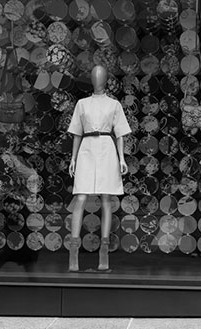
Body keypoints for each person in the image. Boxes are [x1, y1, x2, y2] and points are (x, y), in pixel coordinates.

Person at [67, 65, 132, 272]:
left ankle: (104, 252)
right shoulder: (82, 104)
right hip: (86, 148)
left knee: (106, 198)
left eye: (100, 76)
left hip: (106, 147)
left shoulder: (114, 105)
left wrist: (122, 158)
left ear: (105, 79)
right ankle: (74, 252)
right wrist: (73, 158)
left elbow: (120, 133)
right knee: (80, 197)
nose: (98, 79)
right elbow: (77, 132)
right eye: (95, 76)